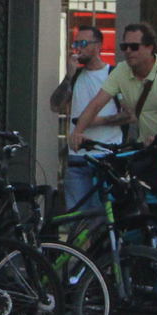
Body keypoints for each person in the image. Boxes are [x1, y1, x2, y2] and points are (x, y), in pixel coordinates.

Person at [70, 21, 157, 218]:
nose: (128, 51)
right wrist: (78, 131)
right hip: (149, 150)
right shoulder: (121, 71)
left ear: (150, 48)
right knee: (131, 197)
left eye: (134, 46)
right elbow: (96, 103)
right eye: (124, 47)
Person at [48, 24, 120, 212]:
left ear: (98, 46)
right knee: (77, 216)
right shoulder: (77, 75)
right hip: (77, 157)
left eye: (83, 43)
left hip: (104, 155)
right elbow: (55, 106)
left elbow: (130, 115)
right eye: (75, 43)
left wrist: (98, 121)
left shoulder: (113, 75)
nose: (78, 49)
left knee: (103, 215)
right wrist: (68, 76)